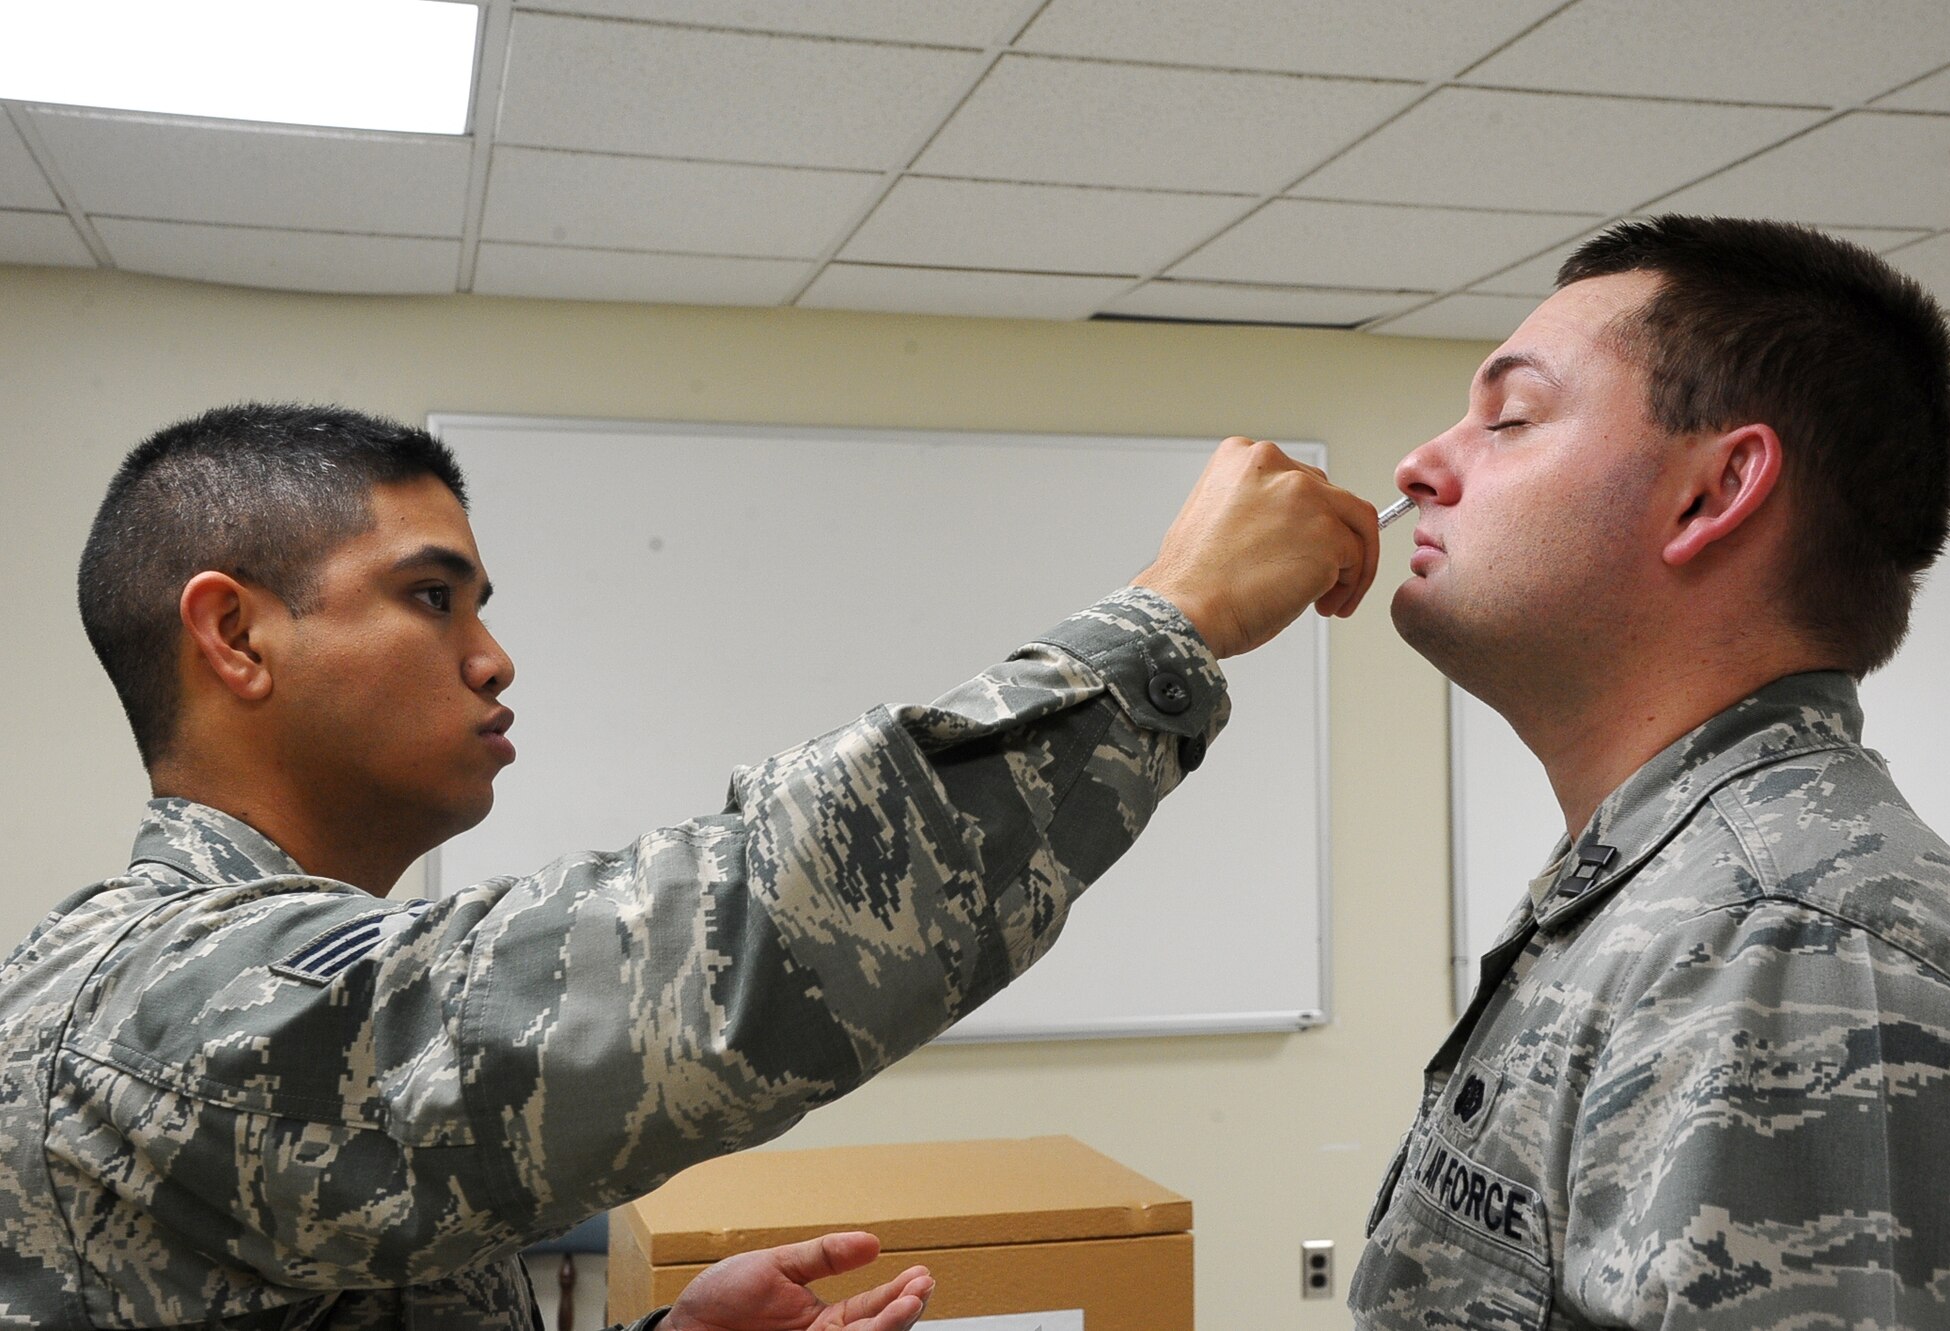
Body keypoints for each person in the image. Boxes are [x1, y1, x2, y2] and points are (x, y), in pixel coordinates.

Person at [0, 406, 1379, 1330]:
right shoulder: (161, 1003)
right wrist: (1168, 621)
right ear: (234, 635)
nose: (493, 656)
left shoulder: (231, 990)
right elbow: (737, 938)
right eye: (432, 597)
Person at [1349, 215, 1950, 1329]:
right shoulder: (1660, 888)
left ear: (1712, 491)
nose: (1418, 465)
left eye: (1508, 417)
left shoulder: (1786, 945)